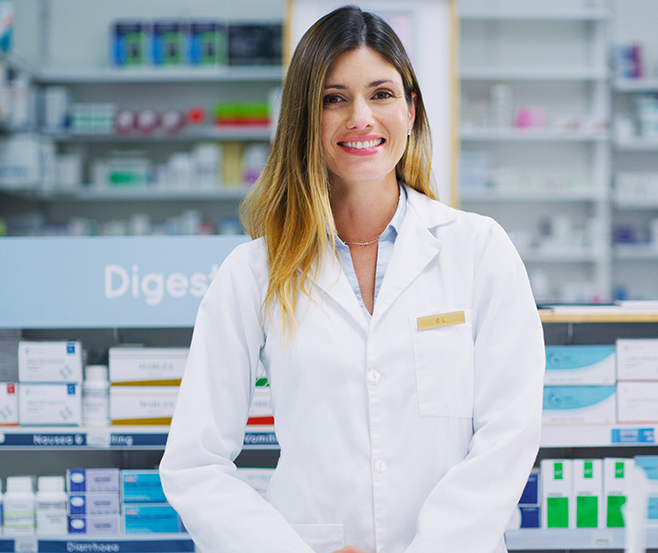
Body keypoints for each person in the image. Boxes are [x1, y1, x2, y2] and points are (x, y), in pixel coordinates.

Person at [159, 6, 545, 553]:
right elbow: (195, 463)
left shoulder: (479, 251)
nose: (360, 116)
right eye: (333, 99)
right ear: (303, 119)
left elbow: (509, 435)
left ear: (411, 111)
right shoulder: (252, 275)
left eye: (382, 94)